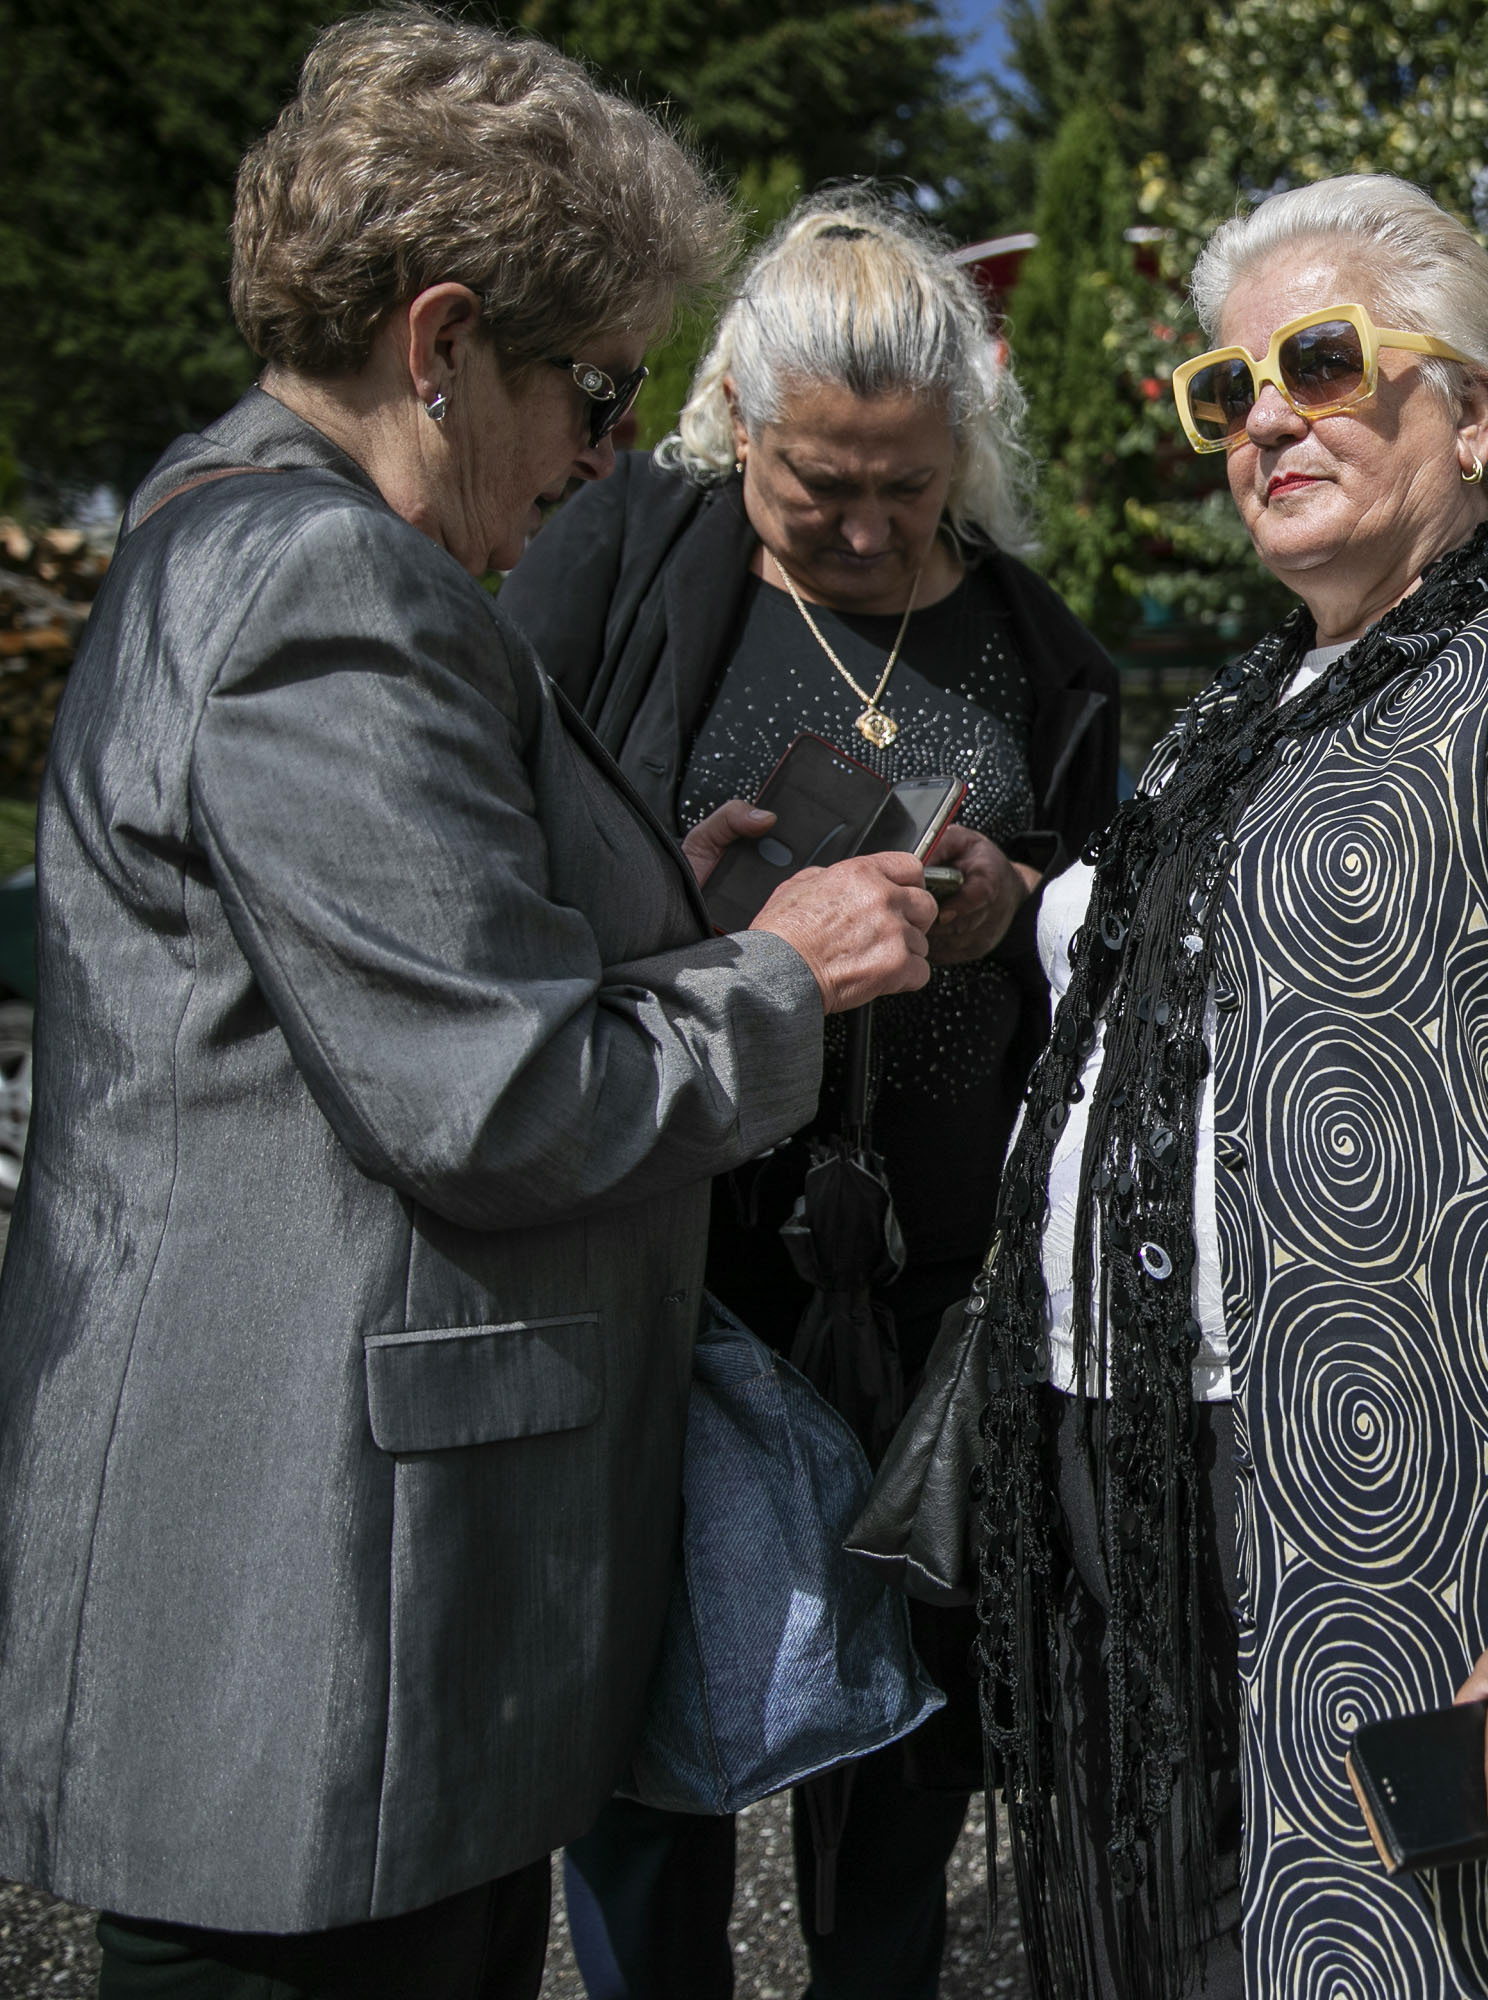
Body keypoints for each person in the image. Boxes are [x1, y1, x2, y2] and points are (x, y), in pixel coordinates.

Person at [0, 16, 936, 1998]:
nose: (610, 453)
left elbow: (369, 988)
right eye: (593, 389)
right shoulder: (328, 594)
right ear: (439, 344)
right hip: (323, 1655)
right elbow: (493, 1096)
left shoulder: (254, 546)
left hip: (353, 1641)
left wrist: (654, 920)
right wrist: (782, 975)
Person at [967, 174, 1488, 1997]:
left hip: (1409, 1506)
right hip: (1144, 1447)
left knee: (1413, 1940)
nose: (1262, 414)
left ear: (1473, 410)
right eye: (1224, 386)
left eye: (1320, 361)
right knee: (1188, 1934)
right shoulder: (1250, 701)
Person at [501, 190, 1121, 1998]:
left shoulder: (1028, 632)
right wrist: (678, 915)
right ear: (734, 427)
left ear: (964, 452)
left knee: (910, 1768)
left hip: (933, 1283)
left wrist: (1012, 901)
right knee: (645, 1762)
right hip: (676, 1263)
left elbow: (1103, 893)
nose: (860, 526)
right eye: (814, 486)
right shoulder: (622, 557)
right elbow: (480, 850)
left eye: (903, 489)